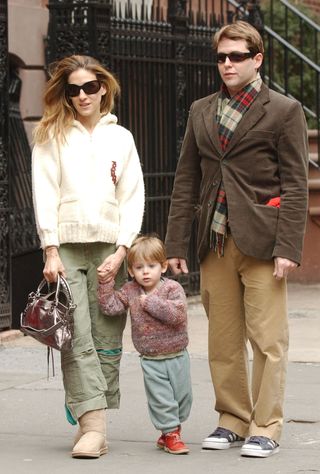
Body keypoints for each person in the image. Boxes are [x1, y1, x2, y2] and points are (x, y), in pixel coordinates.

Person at [165, 21, 308, 458]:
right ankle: (232, 418)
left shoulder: (284, 110)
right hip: (215, 239)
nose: (227, 64)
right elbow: (187, 177)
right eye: (221, 57)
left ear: (257, 59)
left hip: (264, 241)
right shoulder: (201, 109)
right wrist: (174, 244)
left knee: (268, 339)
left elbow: (297, 184)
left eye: (237, 56)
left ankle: (266, 425)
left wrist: (288, 248)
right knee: (223, 339)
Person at [32, 54, 144, 458]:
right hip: (65, 248)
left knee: (107, 337)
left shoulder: (122, 138)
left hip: (107, 247)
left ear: (103, 89)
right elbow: (44, 193)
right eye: (73, 89)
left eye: (89, 88)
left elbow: (132, 195)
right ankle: (92, 425)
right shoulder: (51, 135)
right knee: (76, 335)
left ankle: (86, 401)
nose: (81, 95)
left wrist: (123, 249)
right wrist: (49, 248)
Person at [97, 235, 193, 455]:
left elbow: (176, 315)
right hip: (152, 359)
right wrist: (105, 283)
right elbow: (110, 307)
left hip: (178, 354)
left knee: (183, 398)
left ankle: (172, 430)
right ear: (131, 271)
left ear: (163, 266)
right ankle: (171, 434)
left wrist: (150, 302)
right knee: (161, 398)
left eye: (151, 266)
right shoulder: (130, 291)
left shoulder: (172, 289)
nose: (146, 272)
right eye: (139, 267)